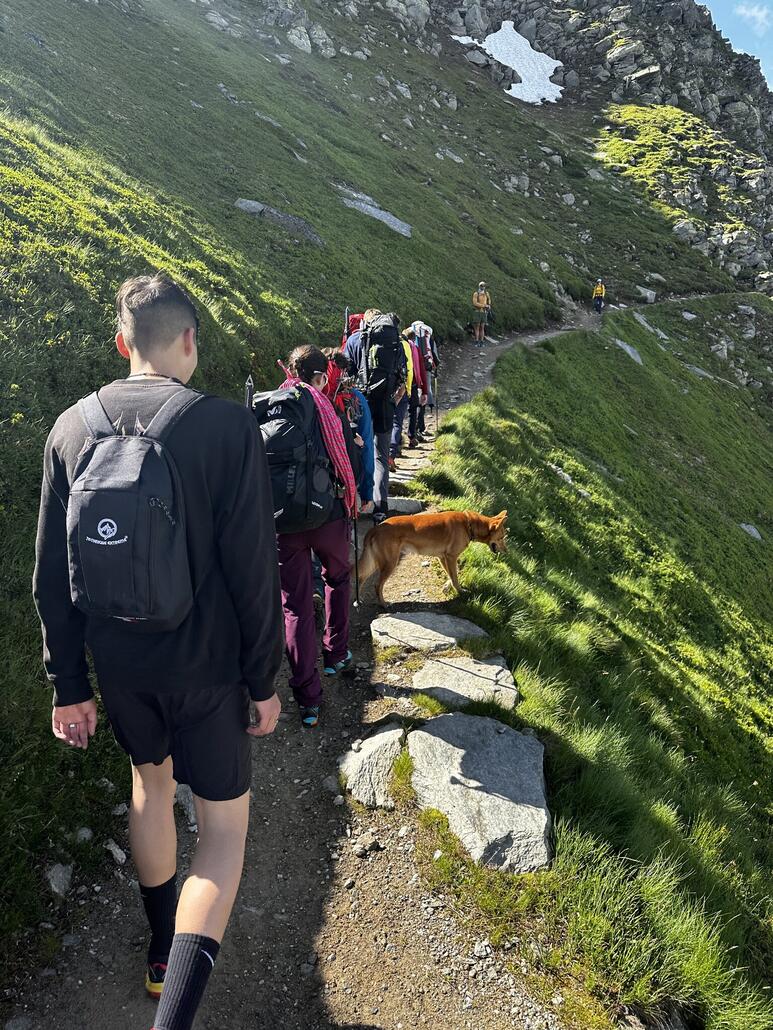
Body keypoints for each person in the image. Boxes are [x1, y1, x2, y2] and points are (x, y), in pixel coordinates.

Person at [33, 273, 283, 1030]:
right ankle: (173, 1015)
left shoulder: (70, 428)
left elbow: (51, 577)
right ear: (189, 342)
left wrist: (67, 683)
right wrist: (262, 679)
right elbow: (253, 569)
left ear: (121, 344)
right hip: (206, 669)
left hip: (120, 667)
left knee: (149, 784)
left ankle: (156, 947)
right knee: (224, 834)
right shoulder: (223, 427)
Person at [274, 345, 358, 728]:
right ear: (321, 376)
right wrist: (352, 497)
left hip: (283, 526)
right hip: (327, 518)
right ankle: (335, 653)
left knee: (293, 606)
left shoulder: (272, 406)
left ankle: (308, 699)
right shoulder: (325, 408)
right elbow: (343, 462)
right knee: (337, 579)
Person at [350, 309, 405, 523]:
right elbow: (402, 376)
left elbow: (345, 374)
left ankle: (356, 502)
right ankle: (380, 506)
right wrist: (394, 400)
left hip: (359, 404)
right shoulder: (395, 343)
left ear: (365, 322)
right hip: (385, 404)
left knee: (358, 449)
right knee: (381, 455)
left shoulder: (355, 340)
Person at [390, 328, 415, 469]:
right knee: (396, 423)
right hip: (401, 388)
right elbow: (410, 369)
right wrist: (408, 389)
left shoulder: (373, 341)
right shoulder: (406, 345)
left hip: (381, 389)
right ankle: (391, 454)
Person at [471, 281, 491, 345]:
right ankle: (477, 341)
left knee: (482, 327)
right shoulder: (476, 294)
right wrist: (484, 305)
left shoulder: (486, 293)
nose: (483, 287)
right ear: (479, 286)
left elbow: (489, 301)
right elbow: (475, 303)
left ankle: (481, 341)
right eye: (482, 286)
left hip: (484, 312)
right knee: (477, 326)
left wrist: (489, 305)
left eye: (484, 286)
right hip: (477, 312)